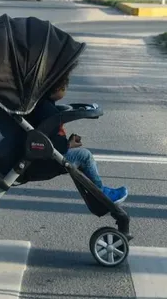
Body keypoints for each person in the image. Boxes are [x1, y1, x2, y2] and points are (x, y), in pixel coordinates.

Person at [28, 74, 128, 204]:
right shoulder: (46, 110)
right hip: (42, 160)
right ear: (59, 88)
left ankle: (97, 192)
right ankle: (100, 193)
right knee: (84, 156)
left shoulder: (39, 104)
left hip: (37, 155)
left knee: (81, 158)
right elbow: (49, 142)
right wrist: (68, 144)